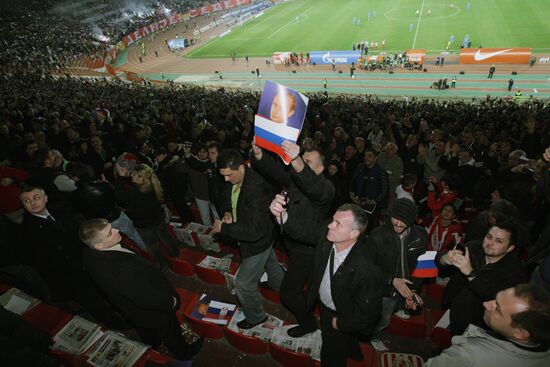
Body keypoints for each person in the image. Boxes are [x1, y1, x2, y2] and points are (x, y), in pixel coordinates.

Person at [270, 198, 382, 367]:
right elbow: (304, 231)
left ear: (353, 234)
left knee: (331, 353)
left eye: (338, 224)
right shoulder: (327, 234)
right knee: (344, 341)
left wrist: (341, 324)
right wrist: (283, 215)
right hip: (325, 306)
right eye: (332, 220)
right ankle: (353, 350)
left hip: (342, 315)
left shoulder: (365, 268)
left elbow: (368, 312)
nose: (330, 226)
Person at [80, 219, 203, 361]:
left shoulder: (88, 252)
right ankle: (184, 353)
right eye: (110, 233)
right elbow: (145, 297)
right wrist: (171, 302)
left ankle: (153, 345)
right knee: (171, 332)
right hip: (153, 310)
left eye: (111, 227)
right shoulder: (119, 271)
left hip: (132, 310)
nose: (117, 230)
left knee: (147, 330)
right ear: (99, 245)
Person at [252, 141, 335, 338]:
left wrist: (297, 160)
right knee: (302, 285)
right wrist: (259, 155)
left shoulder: (326, 188)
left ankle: (308, 323)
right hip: (293, 245)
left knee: (289, 294)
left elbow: (313, 187)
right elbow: (277, 172)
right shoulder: (296, 180)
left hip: (308, 250)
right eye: (302, 160)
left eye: (308, 162)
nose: (302, 165)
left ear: (320, 168)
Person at [211, 149, 284, 329]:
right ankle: (281, 286)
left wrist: (224, 227)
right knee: (271, 262)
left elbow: (254, 230)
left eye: (229, 175)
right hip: (257, 237)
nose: (226, 180)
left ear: (241, 168)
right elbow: (226, 198)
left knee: (243, 285)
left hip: (257, 241)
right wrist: (227, 212)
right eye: (223, 176)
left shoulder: (257, 187)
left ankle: (256, 317)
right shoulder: (233, 178)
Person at [425, 284, 550, 367]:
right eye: (495, 300)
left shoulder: (467, 358)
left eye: (497, 309)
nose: (486, 304)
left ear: (519, 333)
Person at [437, 221, 523, 335]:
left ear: (510, 248)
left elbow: (496, 298)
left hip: (480, 325)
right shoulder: (473, 247)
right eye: (489, 237)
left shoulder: (514, 271)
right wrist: (445, 259)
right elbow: (437, 263)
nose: (490, 243)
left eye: (499, 241)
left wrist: (470, 274)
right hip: (453, 307)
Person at [366, 198, 429, 336]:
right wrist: (392, 280)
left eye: (404, 220)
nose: (398, 224)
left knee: (389, 317)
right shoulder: (377, 235)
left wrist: (413, 292)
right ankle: (372, 338)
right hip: (385, 291)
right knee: (382, 320)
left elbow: (425, 266)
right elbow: (367, 268)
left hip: (407, 290)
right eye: (395, 218)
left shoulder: (421, 235)